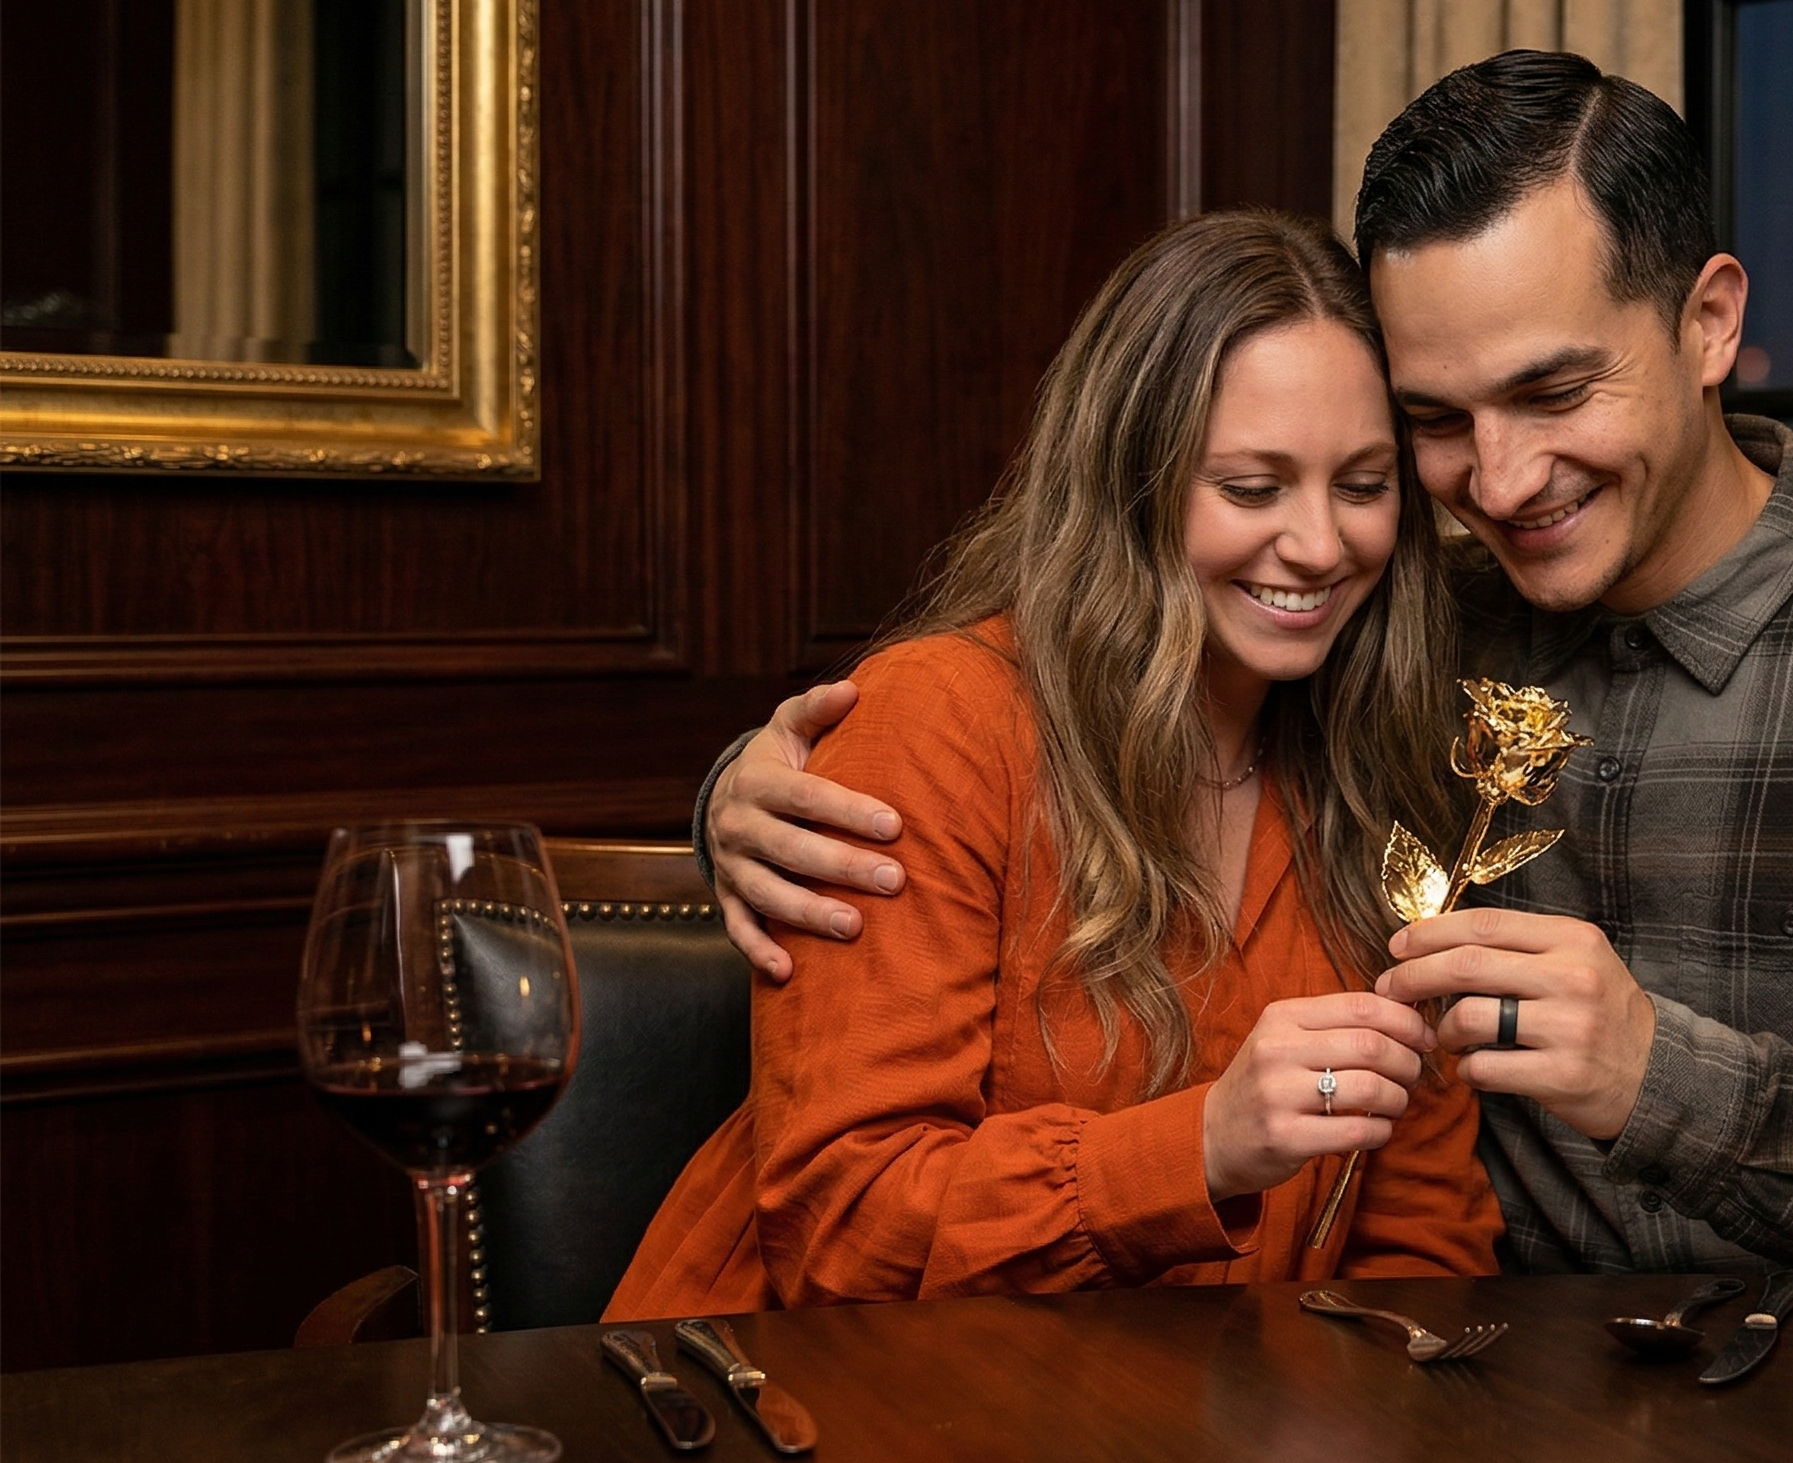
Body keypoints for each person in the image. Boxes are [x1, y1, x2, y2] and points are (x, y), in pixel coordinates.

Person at [696, 52, 1793, 1277]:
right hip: (1445, 1382)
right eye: (1436, 424)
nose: (1501, 481)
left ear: (1710, 321)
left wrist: (1667, 1077)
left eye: (1554, 389)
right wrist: (738, 798)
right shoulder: (1385, 633)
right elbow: (1031, 715)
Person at [606, 210, 1499, 1318]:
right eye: (1250, 487)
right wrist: (1199, 1148)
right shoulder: (938, 724)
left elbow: (1421, 1236)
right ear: (1131, 484)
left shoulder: (1381, 775)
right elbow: (844, 1229)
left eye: (1363, 486)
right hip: (803, 1385)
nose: (1321, 545)